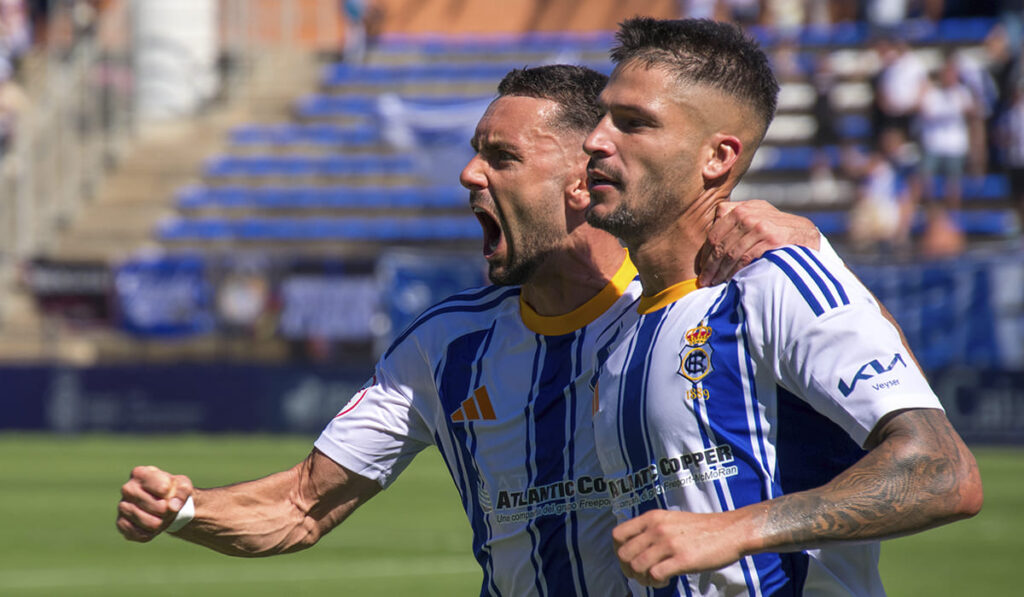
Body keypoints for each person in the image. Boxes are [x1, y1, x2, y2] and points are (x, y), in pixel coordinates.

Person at [117, 65, 826, 596]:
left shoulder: (703, 305)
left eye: (501, 157)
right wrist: (186, 508)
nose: (468, 174)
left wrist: (812, 250)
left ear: (584, 179)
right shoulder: (442, 347)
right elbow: (303, 503)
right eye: (476, 152)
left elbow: (901, 420)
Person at [583, 17, 982, 596]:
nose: (597, 138)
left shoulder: (776, 283)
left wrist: (734, 530)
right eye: (602, 115)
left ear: (718, 158)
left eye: (634, 123)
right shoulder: (616, 331)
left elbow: (944, 472)